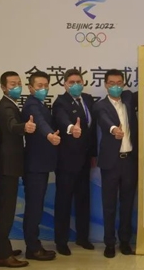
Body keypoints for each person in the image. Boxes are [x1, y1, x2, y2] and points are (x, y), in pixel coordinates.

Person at [92, 69, 138, 258]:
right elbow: (104, 119)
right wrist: (113, 129)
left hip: (130, 161)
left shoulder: (128, 99)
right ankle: (109, 243)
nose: (115, 86)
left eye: (119, 83)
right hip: (111, 162)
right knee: (109, 205)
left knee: (127, 204)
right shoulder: (100, 105)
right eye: (111, 83)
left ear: (124, 84)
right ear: (105, 84)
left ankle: (125, 241)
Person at [0, 71, 35, 267]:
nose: (16, 87)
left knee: (5, 209)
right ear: (3, 87)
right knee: (6, 210)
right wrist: (24, 127)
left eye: (18, 83)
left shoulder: (10, 103)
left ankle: (1, 248)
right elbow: (11, 125)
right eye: (12, 84)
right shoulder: (6, 106)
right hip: (7, 165)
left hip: (10, 164)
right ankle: (2, 255)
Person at [52, 68, 97, 255]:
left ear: (83, 83)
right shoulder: (60, 102)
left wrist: (93, 154)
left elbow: (92, 131)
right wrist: (71, 128)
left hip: (85, 159)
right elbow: (62, 120)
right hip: (67, 160)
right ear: (64, 84)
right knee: (63, 201)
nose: (75, 85)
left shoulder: (88, 99)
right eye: (71, 82)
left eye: (78, 81)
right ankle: (61, 241)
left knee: (83, 199)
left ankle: (82, 237)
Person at [21, 70, 59, 261]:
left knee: (36, 206)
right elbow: (40, 122)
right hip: (34, 165)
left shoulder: (40, 103)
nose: (43, 89)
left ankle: (33, 245)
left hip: (41, 164)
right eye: (39, 86)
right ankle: (33, 247)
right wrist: (49, 135)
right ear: (30, 88)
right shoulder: (31, 104)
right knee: (34, 207)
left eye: (46, 86)